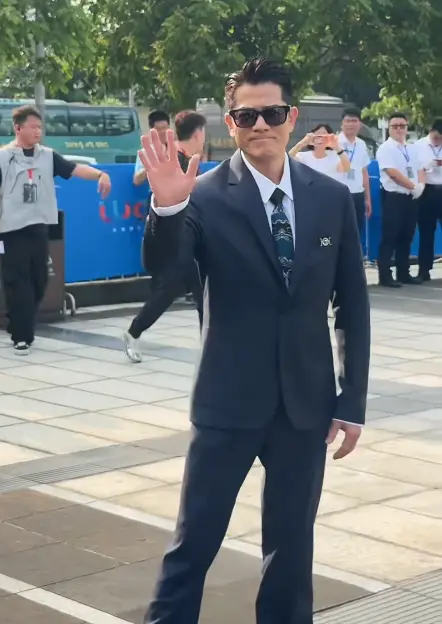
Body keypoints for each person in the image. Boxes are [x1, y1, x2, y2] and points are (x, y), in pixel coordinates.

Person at [139, 58, 370, 624]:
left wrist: (353, 399)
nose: (260, 124)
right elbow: (166, 271)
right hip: (228, 402)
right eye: (246, 115)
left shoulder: (330, 197)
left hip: (305, 406)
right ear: (231, 122)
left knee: (291, 553)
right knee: (193, 547)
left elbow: (352, 304)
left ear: (292, 117)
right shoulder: (203, 195)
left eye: (271, 113)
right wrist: (168, 209)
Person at [0, 105, 111, 354]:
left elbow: (74, 169)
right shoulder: (2, 158)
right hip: (10, 229)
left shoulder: (47, 156)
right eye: (33, 127)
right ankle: (21, 335)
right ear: (18, 128)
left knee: (39, 280)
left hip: (38, 226)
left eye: (40, 127)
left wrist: (100, 175)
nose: (38, 132)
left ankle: (20, 324)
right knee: (18, 281)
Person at [123, 110, 206, 363]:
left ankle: (210, 346)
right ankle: (134, 331)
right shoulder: (173, 159)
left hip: (187, 233)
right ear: (198, 133)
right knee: (173, 287)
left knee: (200, 288)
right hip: (174, 233)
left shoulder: (185, 158)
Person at [376, 112, 425, 287]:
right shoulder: (386, 148)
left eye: (402, 126)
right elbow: (392, 173)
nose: (398, 129)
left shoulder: (412, 148)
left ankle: (403, 272)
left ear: (406, 127)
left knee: (407, 236)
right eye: (395, 126)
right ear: (389, 128)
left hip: (411, 197)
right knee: (390, 236)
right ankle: (385, 275)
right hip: (394, 196)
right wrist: (413, 186)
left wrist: (421, 186)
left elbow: (420, 168)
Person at [414, 118, 442, 281]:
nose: (438, 141)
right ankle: (424, 270)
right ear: (430, 131)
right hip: (427, 190)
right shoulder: (418, 146)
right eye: (436, 138)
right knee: (426, 232)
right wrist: (425, 167)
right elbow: (414, 168)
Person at [338, 108, 372, 238]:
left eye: (354, 121)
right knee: (339, 231)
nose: (351, 124)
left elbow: (364, 172)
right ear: (342, 123)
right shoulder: (333, 143)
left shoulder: (361, 144)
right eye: (347, 121)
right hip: (339, 194)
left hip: (358, 194)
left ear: (360, 124)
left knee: (356, 232)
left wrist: (367, 199)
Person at [133, 110, 170, 186]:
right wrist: (150, 166)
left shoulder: (177, 149)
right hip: (157, 190)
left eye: (165, 128)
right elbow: (136, 180)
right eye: (158, 129)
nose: (163, 132)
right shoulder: (145, 152)